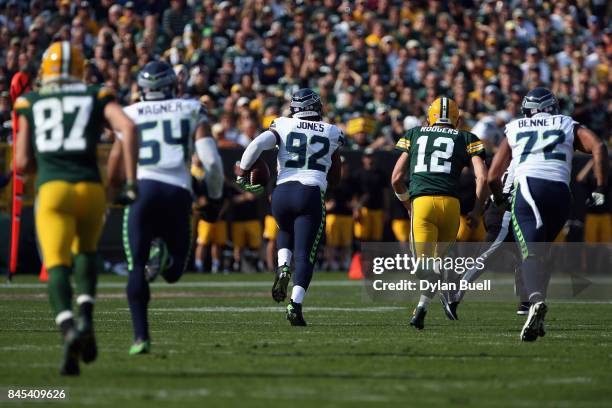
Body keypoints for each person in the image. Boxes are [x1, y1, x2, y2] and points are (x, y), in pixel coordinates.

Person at [14, 41, 139, 375]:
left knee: (56, 262)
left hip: (53, 189)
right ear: (78, 69)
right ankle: (85, 316)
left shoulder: (30, 101)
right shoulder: (95, 95)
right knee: (85, 252)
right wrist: (131, 181)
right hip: (90, 187)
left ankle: (69, 327)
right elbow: (127, 128)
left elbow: (22, 162)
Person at [108, 60, 224, 354]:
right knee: (173, 274)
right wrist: (213, 198)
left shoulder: (129, 113)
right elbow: (210, 162)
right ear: (173, 86)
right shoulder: (191, 108)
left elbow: (115, 165)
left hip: (143, 190)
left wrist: (113, 192)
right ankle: (162, 254)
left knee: (136, 266)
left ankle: (140, 338)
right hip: (178, 194)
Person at [488, 87, 608, 342]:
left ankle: (535, 301)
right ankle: (537, 314)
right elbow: (599, 146)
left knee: (530, 251)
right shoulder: (566, 123)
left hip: (530, 188)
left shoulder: (516, 127)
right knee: (544, 251)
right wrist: (600, 187)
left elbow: (492, 176)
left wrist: (499, 199)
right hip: (561, 194)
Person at [236, 88, 344, 325]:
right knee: (305, 255)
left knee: (284, 230)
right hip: (310, 192)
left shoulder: (283, 124)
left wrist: (243, 174)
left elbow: (257, 144)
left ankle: (283, 266)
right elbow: (336, 178)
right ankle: (295, 304)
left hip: (282, 191)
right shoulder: (333, 131)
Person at [391, 96, 488, 330]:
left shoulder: (415, 134)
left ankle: (432, 287)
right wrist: (476, 210)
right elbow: (482, 177)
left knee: (422, 266)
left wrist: (407, 204)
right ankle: (421, 309)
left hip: (422, 202)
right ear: (458, 119)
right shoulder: (467, 137)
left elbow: (395, 178)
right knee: (438, 263)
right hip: (451, 206)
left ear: (429, 119)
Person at [353, 148, 388, 242]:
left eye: (371, 157)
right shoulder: (358, 174)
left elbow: (385, 193)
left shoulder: (381, 174)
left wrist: (386, 210)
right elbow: (354, 193)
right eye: (368, 157)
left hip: (377, 210)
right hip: (364, 210)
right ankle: (362, 257)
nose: (370, 160)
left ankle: (373, 257)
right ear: (363, 159)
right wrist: (356, 209)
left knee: (376, 239)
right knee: (362, 238)